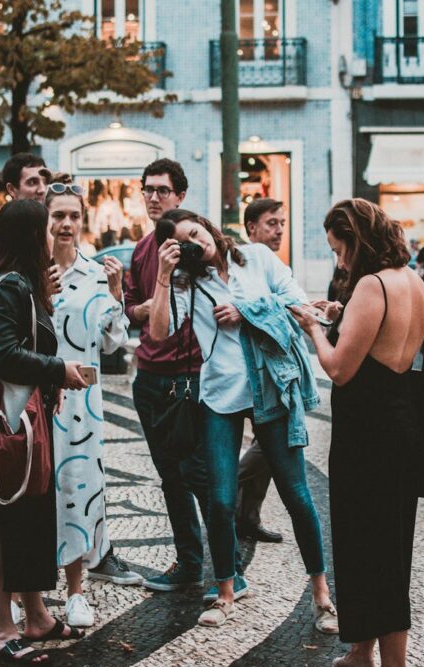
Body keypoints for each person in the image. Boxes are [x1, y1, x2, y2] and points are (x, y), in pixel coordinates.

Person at [150, 209, 338, 632]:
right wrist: (164, 276)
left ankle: (322, 594)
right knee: (219, 499)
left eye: (196, 231)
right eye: (187, 242)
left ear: (206, 225)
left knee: (296, 494)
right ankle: (225, 591)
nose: (198, 242)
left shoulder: (256, 258)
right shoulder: (187, 284)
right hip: (220, 397)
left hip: (270, 389)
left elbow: (297, 303)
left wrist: (244, 309)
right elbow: (160, 333)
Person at [290, 198, 424, 667]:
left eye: (340, 249)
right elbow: (387, 346)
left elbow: (340, 369)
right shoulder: (413, 280)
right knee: (386, 548)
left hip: (368, 434)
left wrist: (312, 328)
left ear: (358, 240)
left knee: (366, 549)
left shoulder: (372, 285)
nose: (340, 261)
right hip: (401, 424)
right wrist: (340, 317)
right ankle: (362, 655)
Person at [0, 199, 90, 666]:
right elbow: (3, 353)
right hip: (9, 425)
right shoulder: (7, 286)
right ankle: (1, 628)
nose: (55, 235)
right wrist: (60, 369)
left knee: (31, 515)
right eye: (47, 228)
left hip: (28, 421)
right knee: (2, 518)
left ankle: (36, 615)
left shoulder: (23, 285)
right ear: (31, 237)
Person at [45, 179, 142, 629]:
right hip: (38, 399)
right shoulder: (31, 272)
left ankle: (76, 591)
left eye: (73, 216)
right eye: (58, 215)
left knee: (81, 491)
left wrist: (117, 293)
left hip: (83, 406)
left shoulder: (94, 273)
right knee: (38, 495)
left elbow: (112, 340)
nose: (66, 223)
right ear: (45, 219)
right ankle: (30, 595)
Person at [124, 159, 210, 593]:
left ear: (180, 196)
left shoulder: (195, 247)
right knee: (170, 476)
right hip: (149, 375)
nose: (154, 197)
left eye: (162, 190)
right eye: (148, 190)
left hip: (189, 374)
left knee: (198, 472)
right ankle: (190, 564)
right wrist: (143, 307)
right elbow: (131, 307)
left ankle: (227, 571)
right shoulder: (141, 250)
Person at [233, 197, 289, 544]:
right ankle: (223, 486)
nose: (279, 229)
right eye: (271, 223)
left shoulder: (274, 265)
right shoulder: (240, 265)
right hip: (245, 372)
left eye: (282, 223)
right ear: (251, 228)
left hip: (269, 371)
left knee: (267, 445)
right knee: (272, 443)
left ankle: (248, 517)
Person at [0, 153, 50, 280]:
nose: (42, 190)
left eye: (45, 182)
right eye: (32, 182)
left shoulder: (55, 228)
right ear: (12, 189)